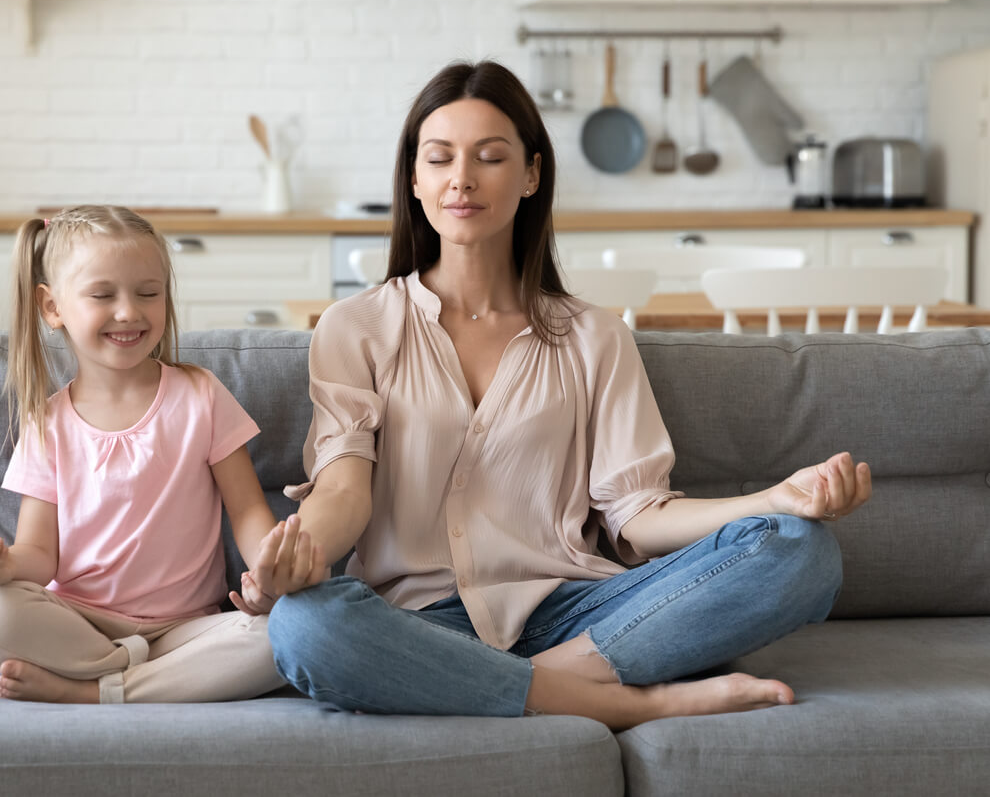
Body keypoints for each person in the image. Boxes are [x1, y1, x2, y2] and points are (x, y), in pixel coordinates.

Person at [264, 62, 872, 729]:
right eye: (439, 158)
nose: (461, 178)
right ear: (414, 179)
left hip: (581, 614)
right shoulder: (355, 328)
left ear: (531, 174)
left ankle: (525, 684)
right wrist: (298, 552)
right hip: (418, 623)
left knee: (801, 548)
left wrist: (775, 500)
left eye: (489, 157)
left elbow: (638, 514)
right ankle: (627, 701)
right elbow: (343, 490)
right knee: (305, 626)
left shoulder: (595, 336)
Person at [0, 205, 324, 704]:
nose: (129, 311)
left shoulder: (201, 395)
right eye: (103, 295)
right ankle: (136, 674)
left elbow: (247, 511)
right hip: (81, 623)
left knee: (283, 634)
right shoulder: (47, 424)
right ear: (52, 307)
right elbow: (39, 557)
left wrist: (271, 569)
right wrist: (4, 567)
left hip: (185, 629)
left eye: (148, 293)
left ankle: (95, 690)